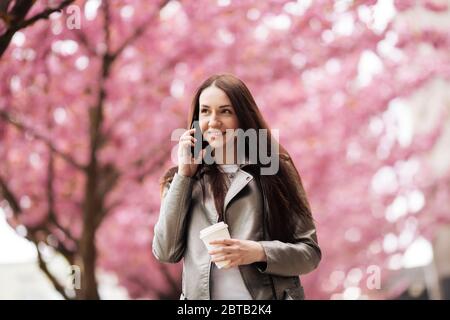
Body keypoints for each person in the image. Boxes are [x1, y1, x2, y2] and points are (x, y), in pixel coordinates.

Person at [152, 73, 321, 300]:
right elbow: (166, 252)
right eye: (205, 111)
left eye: (225, 111)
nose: (213, 121)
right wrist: (184, 175)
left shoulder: (275, 172)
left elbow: (309, 254)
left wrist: (259, 252)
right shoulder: (180, 181)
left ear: (242, 117)